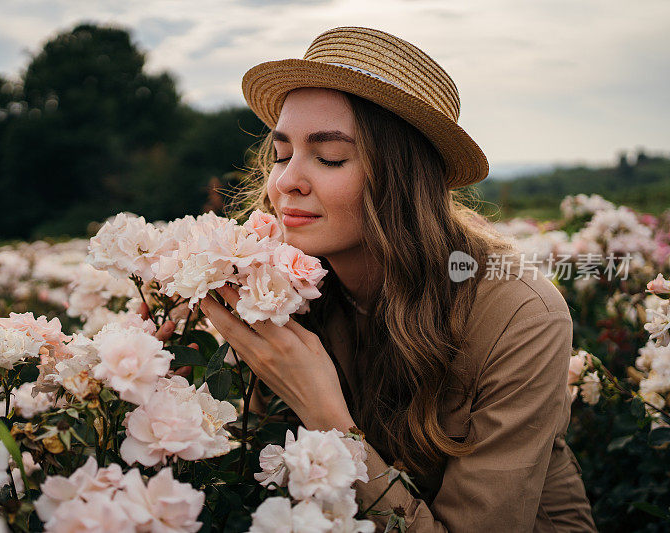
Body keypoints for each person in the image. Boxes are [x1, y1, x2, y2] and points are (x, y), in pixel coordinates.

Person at [197, 26, 598, 531]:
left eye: (330, 158)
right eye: (281, 154)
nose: (284, 182)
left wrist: (326, 415)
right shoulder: (286, 284)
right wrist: (183, 355)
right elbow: (244, 467)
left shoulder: (519, 315)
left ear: (404, 178)